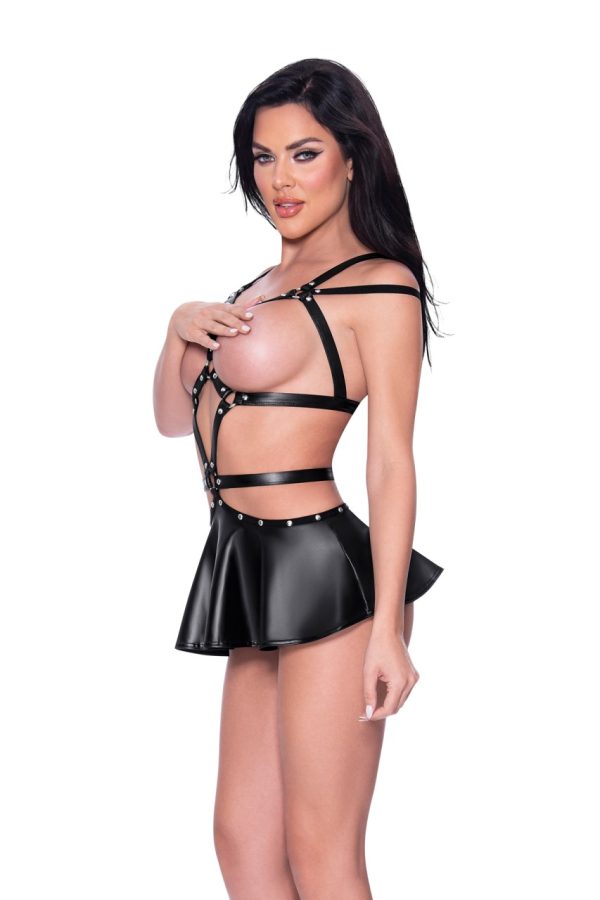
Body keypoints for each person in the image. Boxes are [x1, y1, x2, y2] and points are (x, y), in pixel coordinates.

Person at [154, 58, 445, 900]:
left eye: (304, 154)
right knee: (242, 844)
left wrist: (388, 628)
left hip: (329, 576)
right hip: (246, 564)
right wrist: (177, 328)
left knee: (322, 852)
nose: (279, 179)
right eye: (263, 156)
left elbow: (390, 459)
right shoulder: (254, 288)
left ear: (353, 158)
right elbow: (173, 420)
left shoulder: (380, 285)